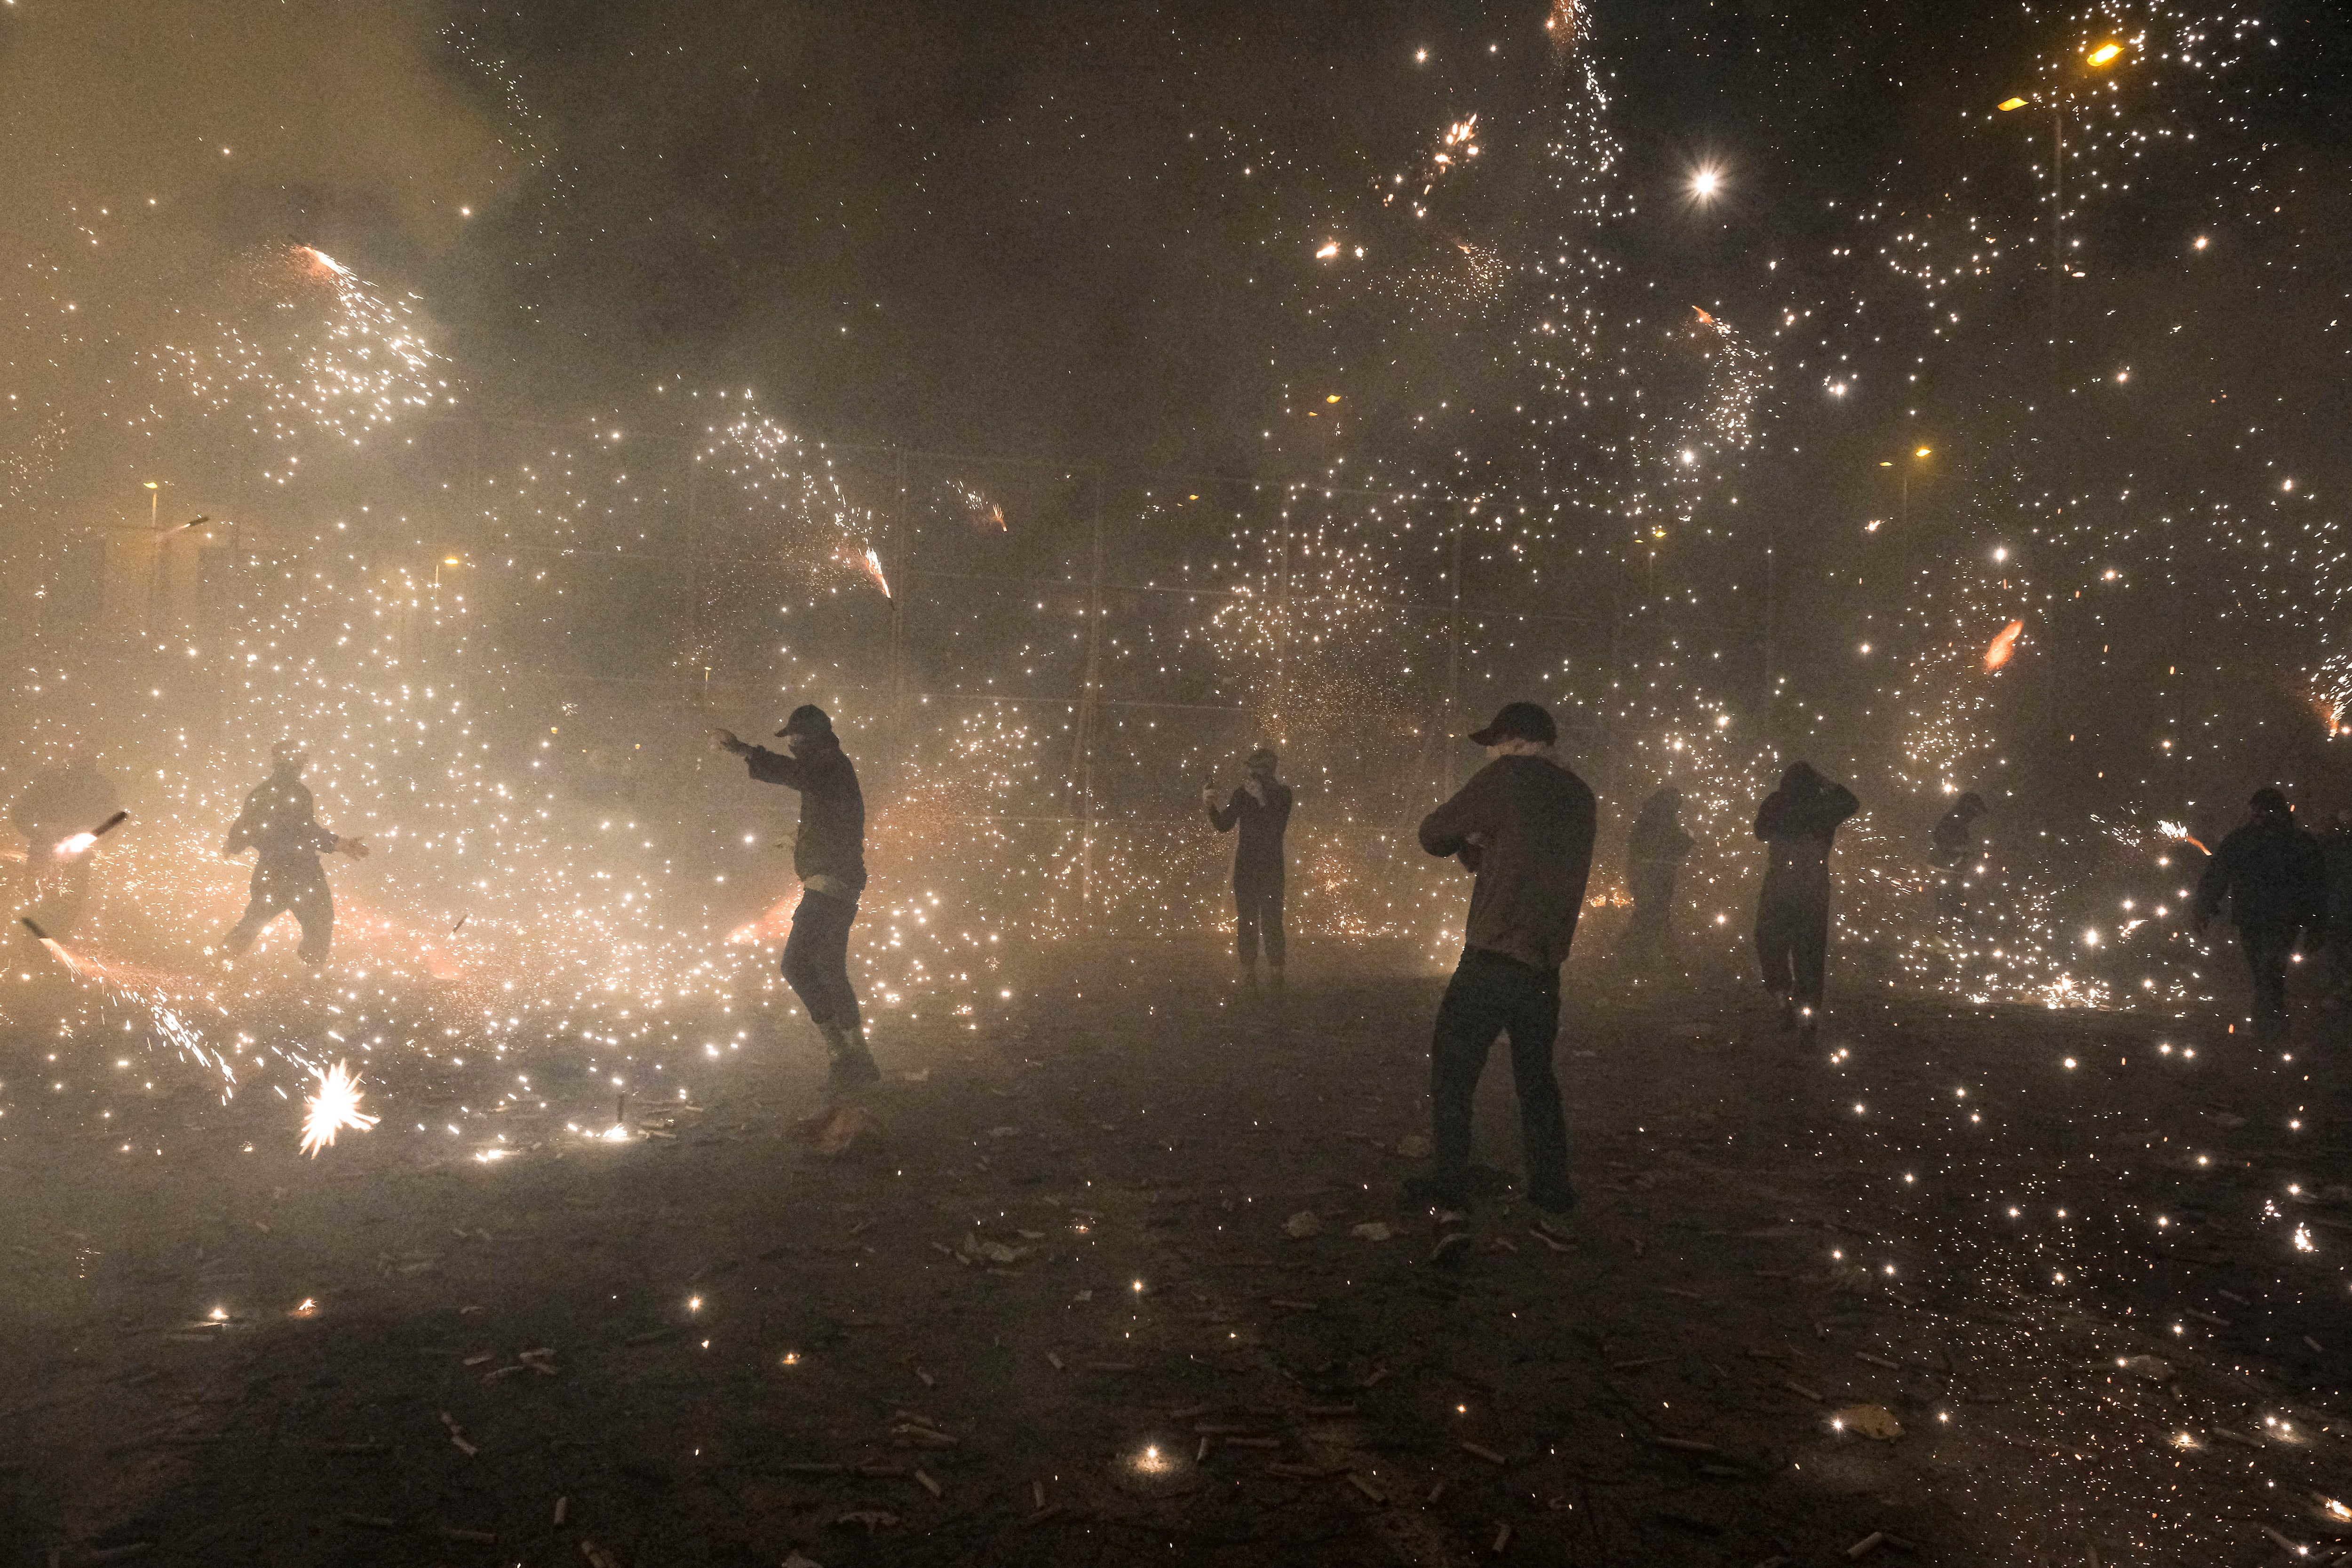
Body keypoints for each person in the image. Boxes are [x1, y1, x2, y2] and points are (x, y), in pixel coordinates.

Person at [1411, 701, 1596, 1264]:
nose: (1490, 751)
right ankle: (1553, 1212)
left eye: (1494, 742)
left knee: (1453, 1075)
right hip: (1545, 964)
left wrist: (1470, 837)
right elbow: (1525, 859)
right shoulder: (1579, 795)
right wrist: (1483, 848)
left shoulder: (1505, 778)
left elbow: (1432, 835)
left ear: (1515, 742)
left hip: (1492, 956)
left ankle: (1450, 1208)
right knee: (1537, 1085)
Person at [713, 705, 879, 1089]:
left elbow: (795, 775)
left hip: (830, 884)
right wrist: (800, 841)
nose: (791, 744)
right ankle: (857, 1059)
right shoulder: (832, 767)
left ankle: (842, 1053)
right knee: (830, 968)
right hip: (838, 880)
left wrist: (744, 751)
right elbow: (836, 820)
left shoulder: (827, 765)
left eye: (795, 737)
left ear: (812, 736)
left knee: (796, 965)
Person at [2193, 787, 2326, 1045]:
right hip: (2257, 918)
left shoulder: (2295, 843)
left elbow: (2316, 886)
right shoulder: (2250, 840)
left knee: (2270, 970)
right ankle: (2271, 1024)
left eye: (2265, 810)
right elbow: (2218, 875)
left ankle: (2269, 1025)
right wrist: (2204, 906)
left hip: (2279, 919)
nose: (2261, 816)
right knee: (2265, 971)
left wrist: (2317, 925)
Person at [222, 741, 368, 964]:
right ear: (296, 763)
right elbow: (304, 830)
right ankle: (312, 974)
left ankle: (219, 961)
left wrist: (233, 845)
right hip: (303, 873)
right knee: (320, 921)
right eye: (301, 760)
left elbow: (244, 826)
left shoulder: (259, 794)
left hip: (270, 872)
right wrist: (340, 844)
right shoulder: (299, 794)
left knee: (253, 921)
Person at [1752, 761, 1860, 1029]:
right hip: (1813, 889)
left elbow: (1760, 832)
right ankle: (1808, 1017)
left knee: (1771, 945)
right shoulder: (1823, 805)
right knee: (1810, 954)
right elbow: (1851, 803)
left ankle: (1782, 999)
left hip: (1779, 886)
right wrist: (1825, 781)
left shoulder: (1777, 803)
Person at [1203, 747, 1294, 983]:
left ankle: (1276, 968)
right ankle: (1249, 967)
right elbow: (1224, 825)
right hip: (1247, 867)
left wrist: (1262, 800)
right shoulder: (1242, 795)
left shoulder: (1283, 795)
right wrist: (1211, 806)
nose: (1253, 776)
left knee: (1272, 917)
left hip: (1271, 867)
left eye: (1257, 771)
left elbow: (1276, 828)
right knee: (1247, 918)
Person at [11, 750, 124, 938]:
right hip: (45, 857)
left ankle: (45, 954)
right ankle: (41, 953)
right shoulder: (51, 781)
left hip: (71, 860)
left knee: (55, 915)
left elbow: (111, 823)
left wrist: (86, 834)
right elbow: (20, 814)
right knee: (42, 912)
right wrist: (43, 830)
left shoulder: (99, 786)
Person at [1616, 785, 1692, 971]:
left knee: (1648, 912)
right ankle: (1644, 957)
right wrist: (1688, 839)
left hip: (1646, 872)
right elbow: (1672, 846)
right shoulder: (1665, 820)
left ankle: (1637, 956)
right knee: (1654, 914)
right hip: (1658, 873)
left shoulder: (1647, 817)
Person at [1928, 792, 1988, 918]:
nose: (1974, 818)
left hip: (1948, 871)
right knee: (1943, 907)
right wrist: (1961, 852)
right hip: (1942, 870)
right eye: (1974, 813)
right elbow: (1941, 842)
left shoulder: (1958, 823)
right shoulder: (1952, 822)